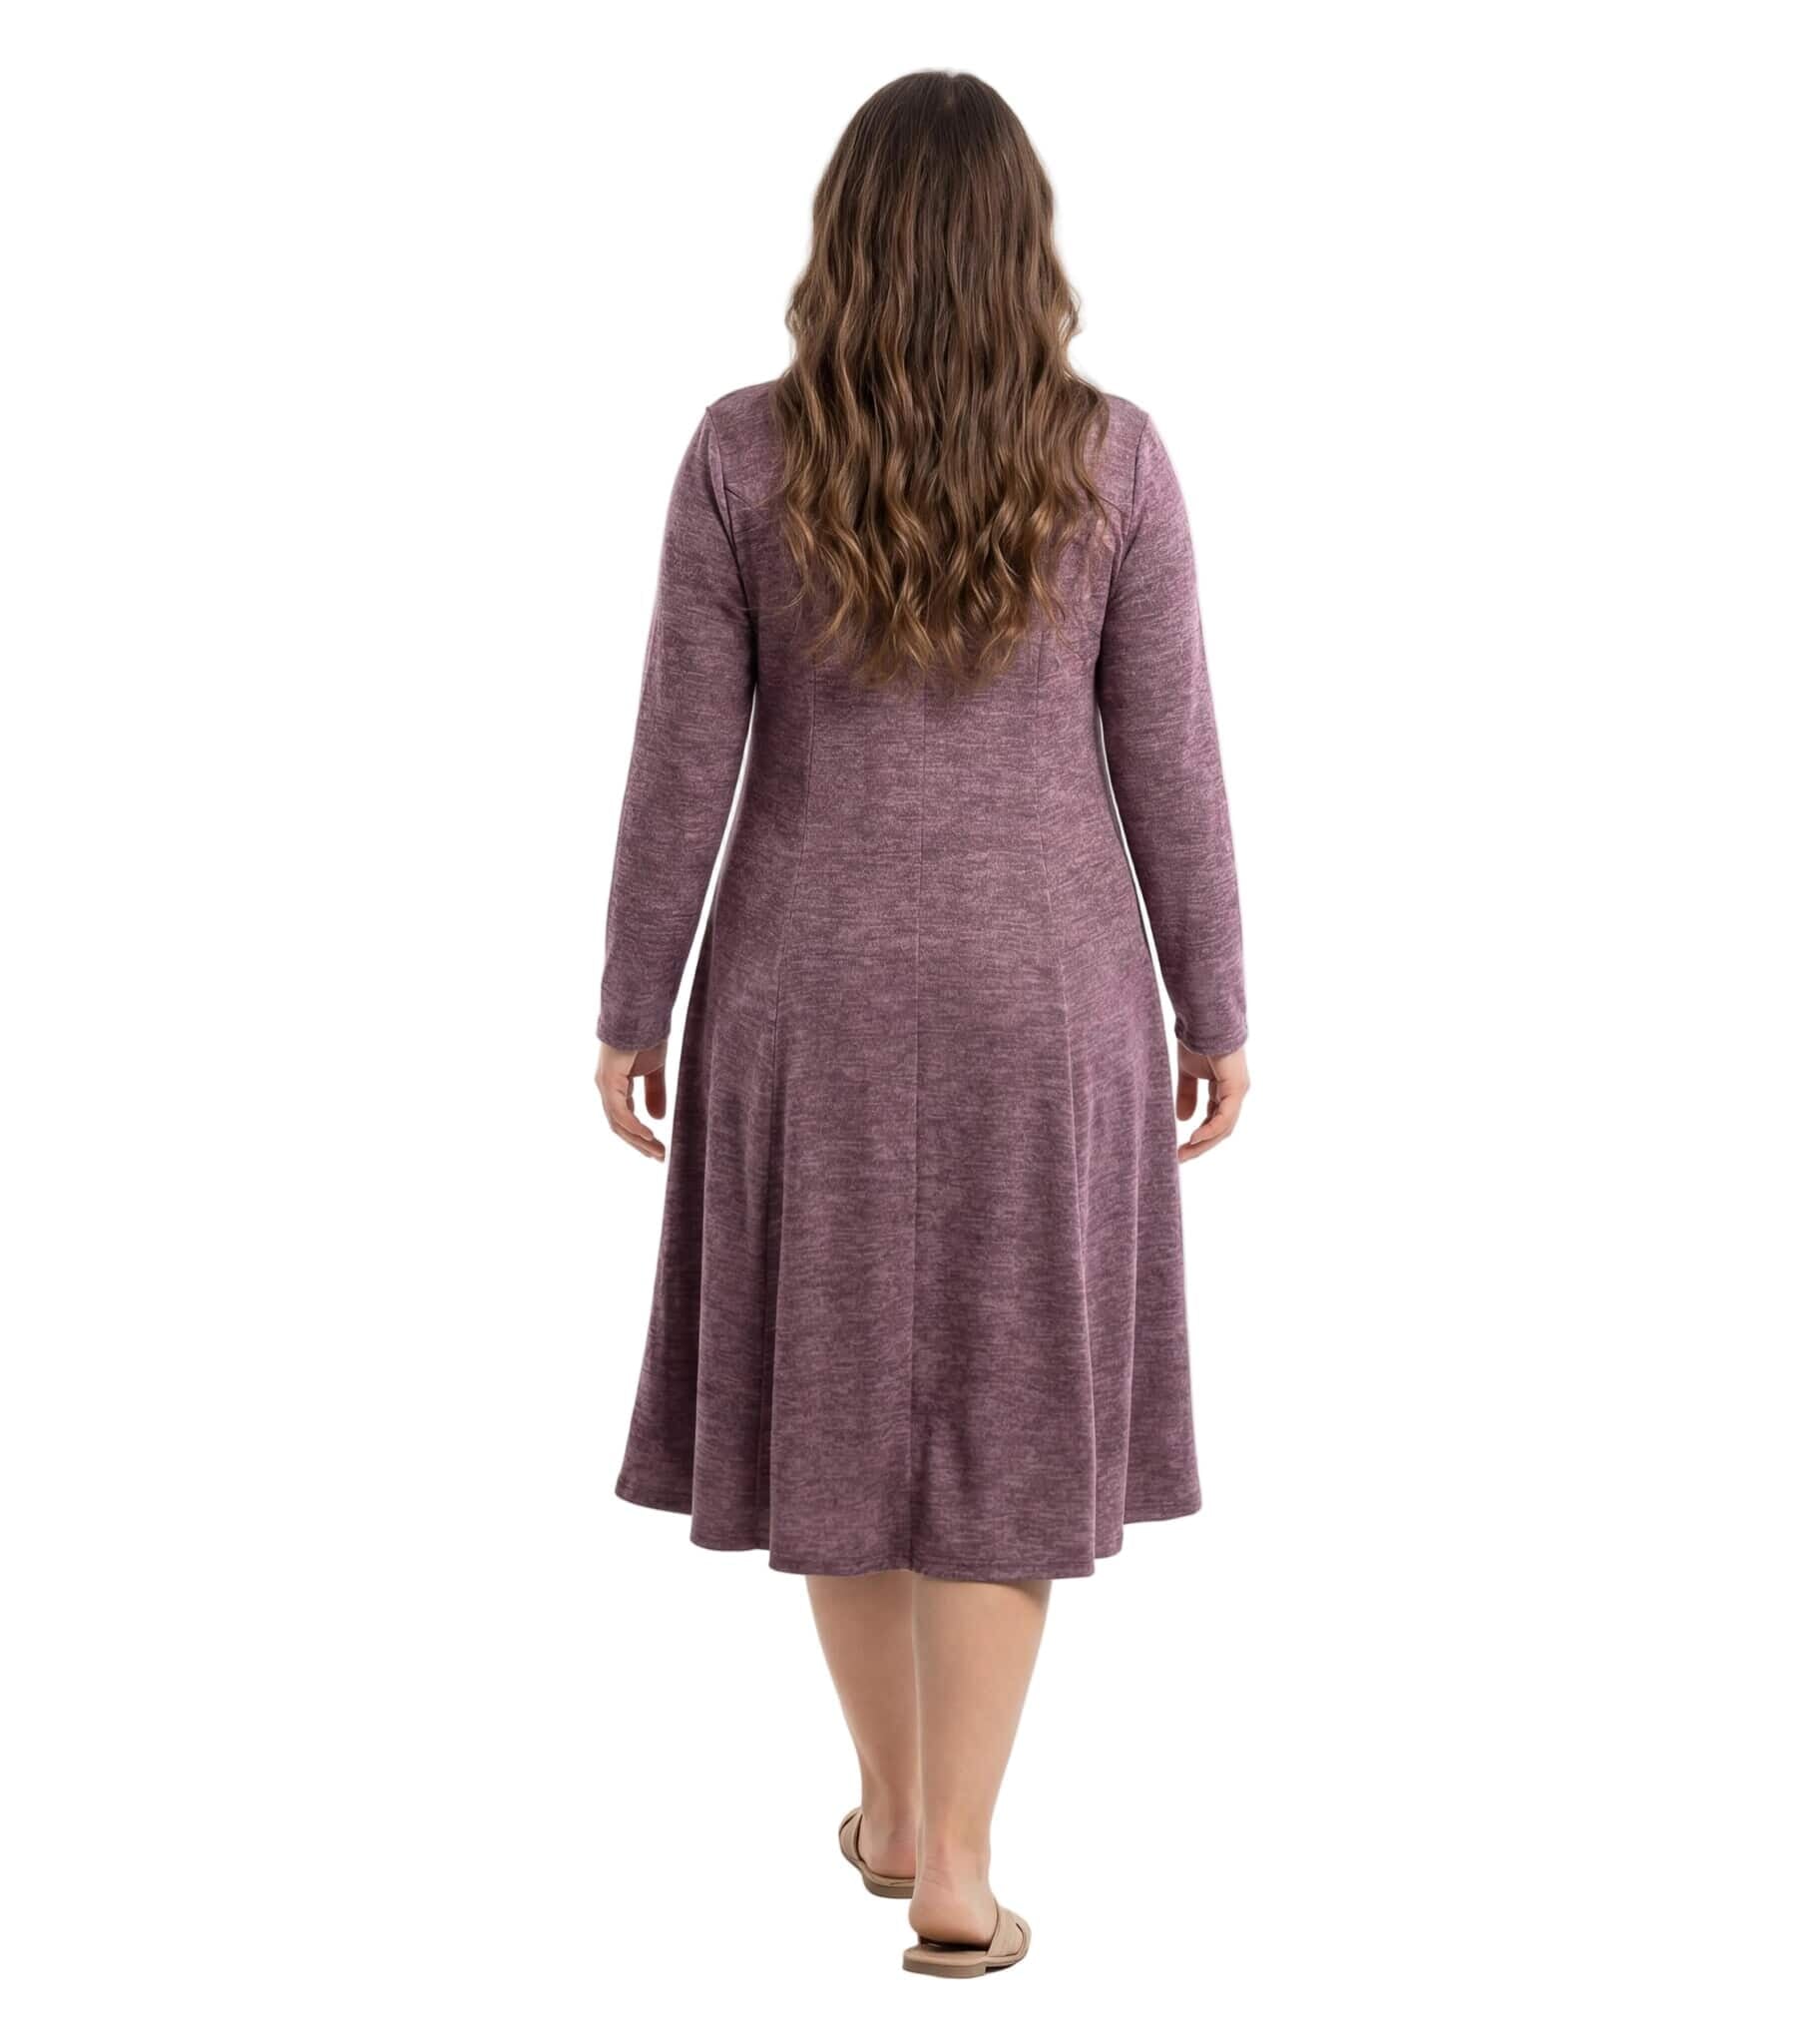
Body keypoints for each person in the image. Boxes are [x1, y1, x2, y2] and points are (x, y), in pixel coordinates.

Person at [595, 70, 1248, 1980]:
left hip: (802, 996)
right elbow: (1172, 763)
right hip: (1049, 1005)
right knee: (1009, 1410)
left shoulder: (742, 453)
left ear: (848, 240)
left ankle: (888, 1808)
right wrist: (1216, 1000)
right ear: (1022, 248)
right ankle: (953, 1860)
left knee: (840, 1400)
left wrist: (631, 998)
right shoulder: (1115, 462)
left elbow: (681, 762)